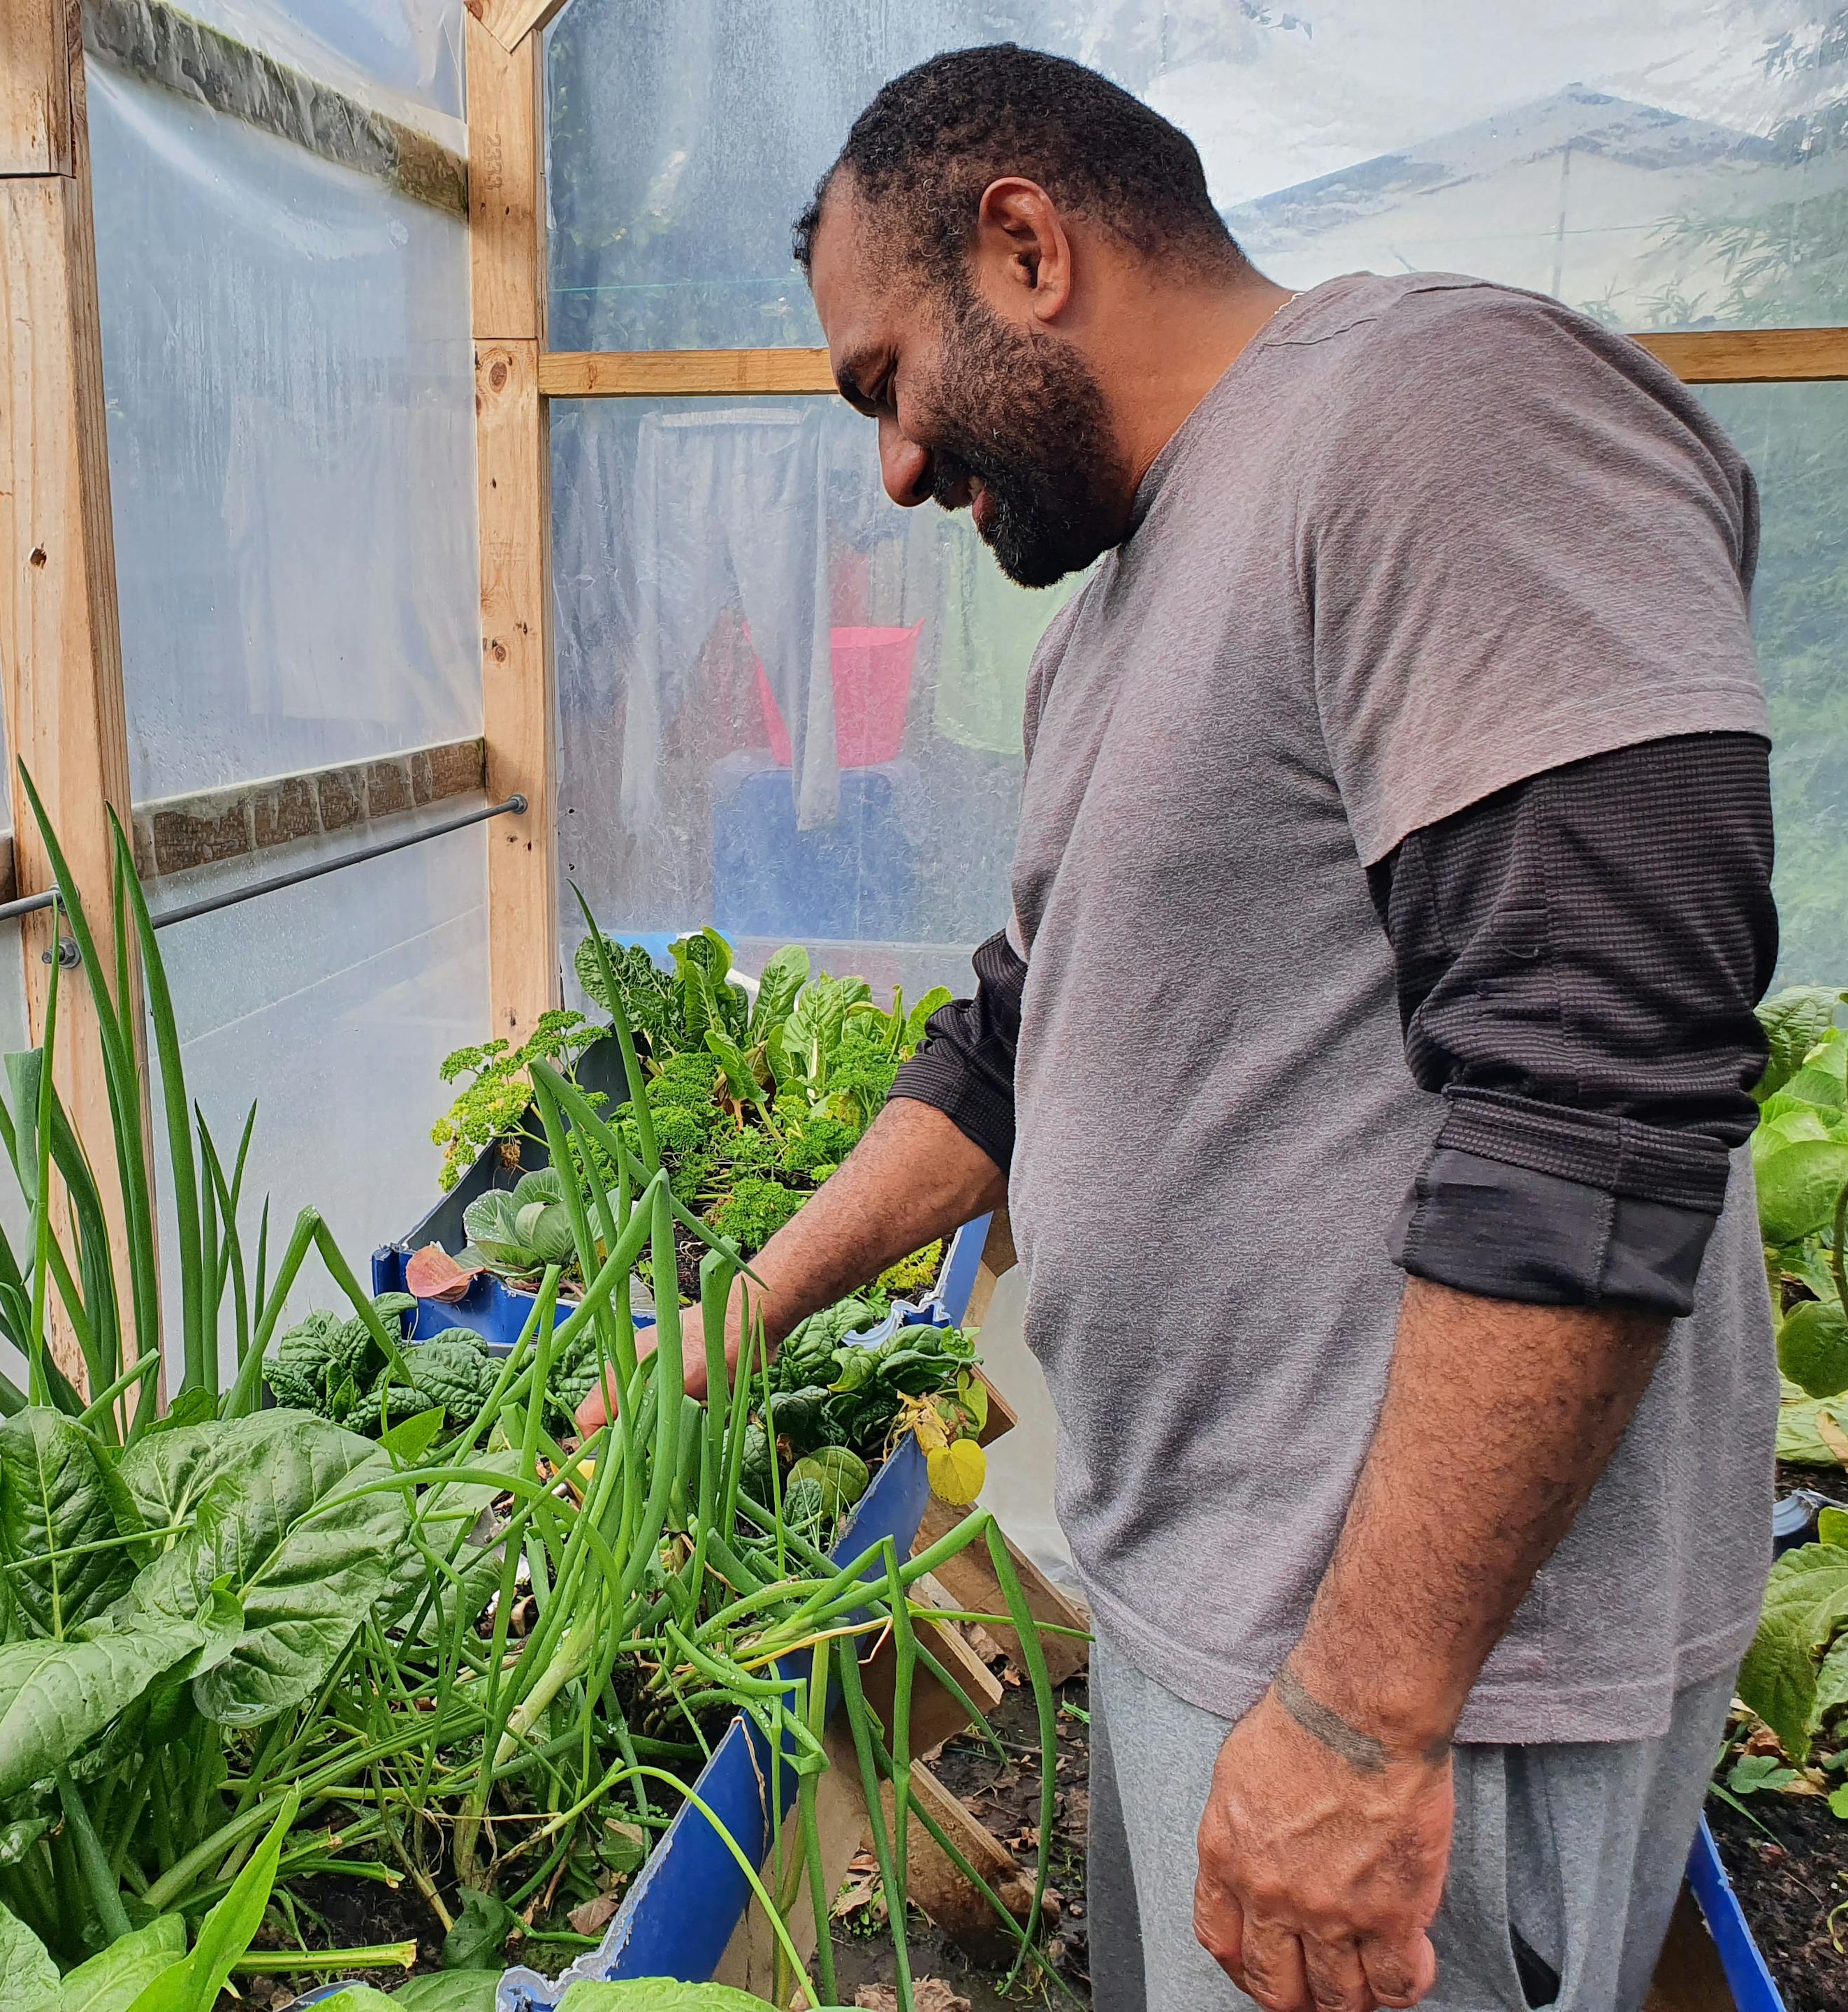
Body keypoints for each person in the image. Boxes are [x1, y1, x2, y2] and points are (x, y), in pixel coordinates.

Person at [576, 43, 1779, 2012]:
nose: (889, 467)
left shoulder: (1442, 417)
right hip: (1218, 1619)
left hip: (1420, 1686)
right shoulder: (1125, 615)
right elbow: (1015, 1036)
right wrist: (745, 1310)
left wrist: (1368, 1721)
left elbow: (1606, 1088)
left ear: (1026, 247)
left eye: (885, 383)